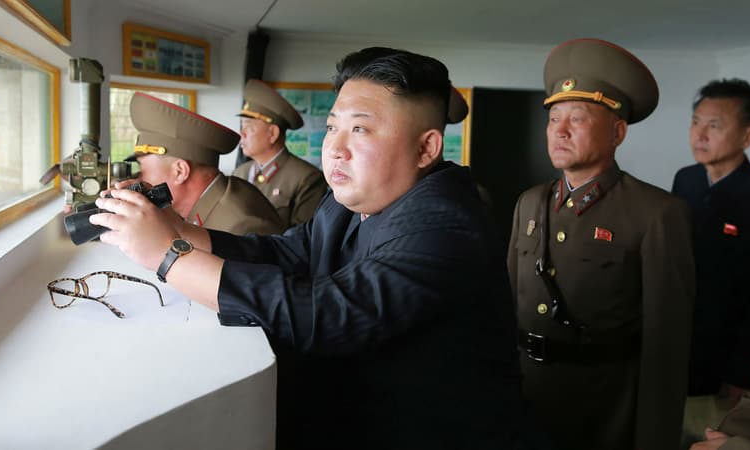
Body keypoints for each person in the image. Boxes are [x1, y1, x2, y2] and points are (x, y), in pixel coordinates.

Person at [90, 47, 535, 450]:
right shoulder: (351, 201)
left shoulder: (445, 224)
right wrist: (176, 230)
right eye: (333, 128)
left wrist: (169, 258)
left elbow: (327, 314)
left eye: (361, 129)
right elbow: (286, 253)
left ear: (426, 148)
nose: (335, 149)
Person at [507, 38, 695, 450]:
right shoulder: (530, 202)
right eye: (554, 118)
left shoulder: (655, 212)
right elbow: (507, 308)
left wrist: (654, 438)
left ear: (617, 132)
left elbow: (667, 344)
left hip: (605, 408)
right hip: (526, 397)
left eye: (576, 118)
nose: (560, 130)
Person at [672, 79, 750, 445]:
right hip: (680, 341)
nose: (700, 134)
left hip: (727, 356)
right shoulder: (687, 179)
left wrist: (739, 372)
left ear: (748, 136)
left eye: (715, 125)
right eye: (696, 122)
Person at [123, 92, 284, 235]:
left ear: (180, 171)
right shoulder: (208, 204)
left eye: (142, 169)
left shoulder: (240, 227)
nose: (139, 180)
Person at [232, 79, 328, 229]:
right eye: (242, 127)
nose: (241, 134)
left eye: (248, 128)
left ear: (273, 134)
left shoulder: (307, 178)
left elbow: (301, 239)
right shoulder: (240, 173)